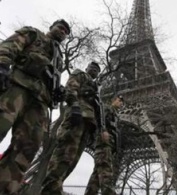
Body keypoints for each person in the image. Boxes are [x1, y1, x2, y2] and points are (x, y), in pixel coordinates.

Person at [0, 19, 70, 194]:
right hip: (18, 86)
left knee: (27, 149)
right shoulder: (34, 34)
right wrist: (2, 64)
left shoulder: (58, 59)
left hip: (40, 102)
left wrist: (59, 91)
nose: (62, 32)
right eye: (60, 28)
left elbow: (53, 79)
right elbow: (11, 45)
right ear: (51, 27)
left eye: (66, 32)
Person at [41, 61, 101, 195]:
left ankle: (55, 187)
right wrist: (74, 106)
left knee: (72, 161)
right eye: (92, 68)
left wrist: (94, 129)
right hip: (76, 118)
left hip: (87, 124)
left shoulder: (96, 88)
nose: (95, 71)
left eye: (97, 70)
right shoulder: (80, 74)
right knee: (64, 155)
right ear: (87, 68)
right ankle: (49, 189)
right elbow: (70, 88)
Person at [84, 95, 124, 195]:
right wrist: (103, 131)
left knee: (97, 176)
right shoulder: (106, 109)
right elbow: (98, 121)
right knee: (105, 170)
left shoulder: (115, 115)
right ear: (113, 100)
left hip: (109, 144)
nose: (121, 103)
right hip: (103, 142)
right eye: (119, 101)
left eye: (122, 102)